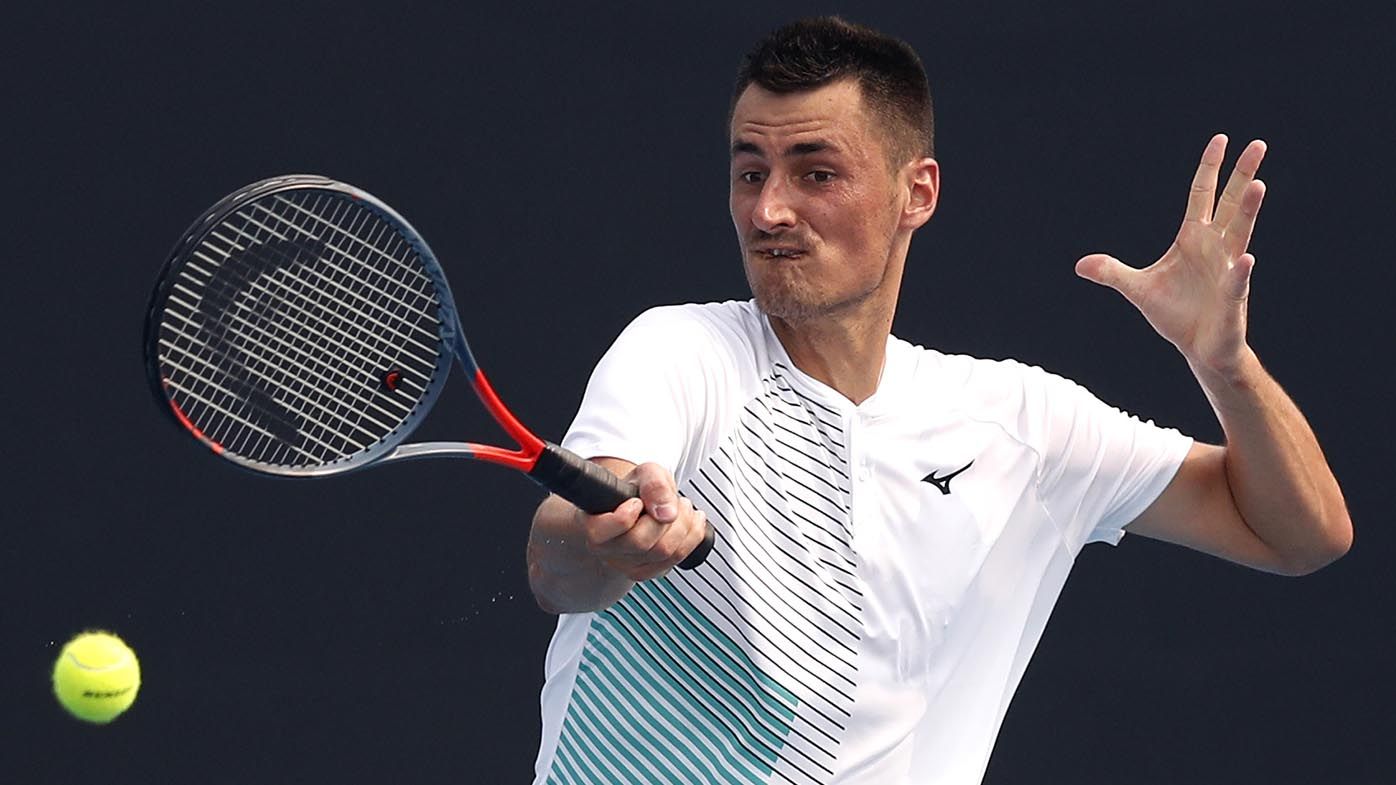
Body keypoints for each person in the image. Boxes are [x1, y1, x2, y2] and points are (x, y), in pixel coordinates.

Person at [525, 16, 1351, 785]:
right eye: (751, 173)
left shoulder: (1023, 427)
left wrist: (1224, 366)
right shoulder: (681, 351)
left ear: (915, 193)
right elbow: (559, 561)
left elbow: (1301, 535)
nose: (769, 209)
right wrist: (611, 541)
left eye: (816, 173)